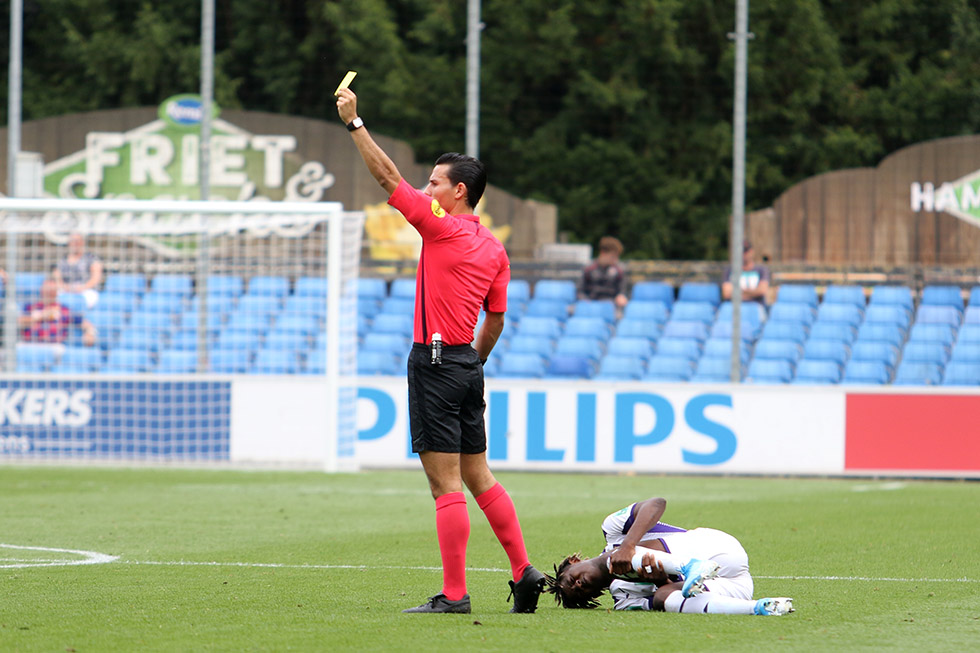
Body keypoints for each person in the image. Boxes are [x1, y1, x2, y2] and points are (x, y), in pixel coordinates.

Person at [336, 87, 544, 614]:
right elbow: (495, 318)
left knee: (445, 484)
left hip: (433, 361)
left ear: (458, 193)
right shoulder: (494, 249)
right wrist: (475, 361)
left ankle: (454, 595)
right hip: (467, 365)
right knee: (480, 476)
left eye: (433, 182)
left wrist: (355, 123)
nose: (426, 188)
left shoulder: (440, 229)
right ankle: (522, 571)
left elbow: (387, 178)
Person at [546, 496, 794, 616]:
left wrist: (628, 545)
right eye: (579, 591)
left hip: (716, 548)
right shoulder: (622, 598)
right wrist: (658, 581)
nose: (578, 585)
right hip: (734, 584)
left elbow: (656, 502)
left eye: (571, 580)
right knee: (664, 596)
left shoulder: (612, 530)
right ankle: (759, 608)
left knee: (614, 558)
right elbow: (660, 600)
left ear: (573, 562)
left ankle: (689, 566)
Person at [19, 279, 97, 347]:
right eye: (48, 289)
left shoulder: (63, 309)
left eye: (52, 290)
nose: (50, 292)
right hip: (29, 344)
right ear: (42, 290)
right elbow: (19, 322)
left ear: (56, 293)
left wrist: (90, 333)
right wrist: (41, 315)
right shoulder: (31, 307)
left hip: (53, 346)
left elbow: (85, 324)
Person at [52, 232, 104, 309]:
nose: (75, 243)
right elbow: (57, 278)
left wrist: (82, 288)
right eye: (73, 241)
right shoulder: (62, 260)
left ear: (82, 242)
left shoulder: (91, 258)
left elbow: (96, 278)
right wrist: (65, 287)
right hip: (66, 291)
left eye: (77, 241)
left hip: (86, 291)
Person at [579, 236, 628, 310]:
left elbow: (622, 291)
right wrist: (586, 302)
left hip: (611, 308)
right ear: (603, 253)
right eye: (613, 256)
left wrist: (621, 297)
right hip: (591, 306)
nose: (616, 259)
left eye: (617, 257)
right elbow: (580, 291)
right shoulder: (589, 269)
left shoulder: (619, 271)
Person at [722, 240, 770, 311]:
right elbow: (726, 293)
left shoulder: (761, 270)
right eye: (741, 251)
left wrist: (737, 291)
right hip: (734, 308)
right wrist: (753, 293)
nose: (743, 254)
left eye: (745, 251)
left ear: (751, 251)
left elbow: (762, 291)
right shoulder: (730, 270)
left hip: (755, 307)